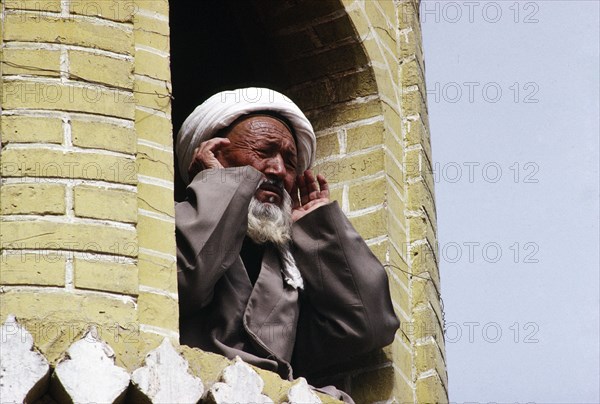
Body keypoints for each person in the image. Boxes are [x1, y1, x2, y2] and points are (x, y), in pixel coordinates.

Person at [175, 88, 399, 397]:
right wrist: (219, 187)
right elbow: (185, 280)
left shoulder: (291, 265)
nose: (279, 170)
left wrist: (320, 231)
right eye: (264, 152)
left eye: (290, 162)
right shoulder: (171, 222)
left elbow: (368, 326)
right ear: (214, 155)